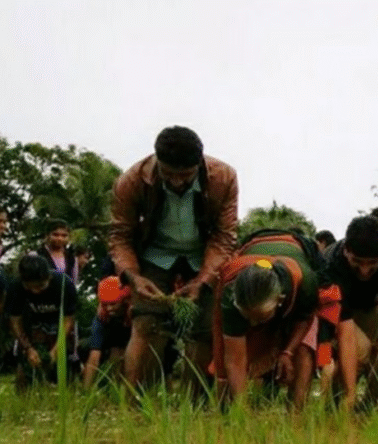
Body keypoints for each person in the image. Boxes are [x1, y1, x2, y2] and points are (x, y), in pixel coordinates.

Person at [108, 126, 238, 394]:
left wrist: (203, 281)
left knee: (204, 327)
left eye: (186, 176)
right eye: (169, 175)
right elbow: (120, 236)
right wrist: (133, 277)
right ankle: (136, 403)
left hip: (204, 257)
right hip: (154, 254)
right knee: (147, 322)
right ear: (157, 163)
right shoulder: (131, 181)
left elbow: (224, 237)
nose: (177, 182)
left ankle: (195, 403)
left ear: (199, 164)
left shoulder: (224, 178)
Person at [211, 231, 344, 410]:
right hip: (254, 247)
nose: (252, 324)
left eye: (259, 317)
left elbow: (304, 320)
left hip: (297, 272)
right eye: (247, 316)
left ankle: (296, 413)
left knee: (304, 351)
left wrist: (287, 352)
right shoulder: (231, 295)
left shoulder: (306, 282)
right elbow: (234, 360)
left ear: (280, 300)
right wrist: (240, 412)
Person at [324, 215, 378, 404]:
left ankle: (371, 402)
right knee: (359, 350)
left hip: (371, 306)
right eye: (358, 262)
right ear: (346, 251)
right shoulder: (330, 264)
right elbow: (344, 328)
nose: (364, 270)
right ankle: (337, 403)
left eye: (372, 263)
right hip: (335, 312)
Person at [7, 255, 79, 391]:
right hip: (31, 323)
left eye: (40, 286)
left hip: (58, 324)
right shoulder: (15, 287)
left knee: (64, 364)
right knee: (25, 364)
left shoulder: (64, 284)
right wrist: (28, 348)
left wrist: (57, 349)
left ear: (48, 277)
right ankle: (24, 399)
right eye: (30, 287)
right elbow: (14, 320)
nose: (36, 291)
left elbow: (69, 319)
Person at [83, 276, 132, 387]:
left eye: (113, 304)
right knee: (89, 348)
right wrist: (85, 390)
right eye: (105, 304)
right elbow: (94, 355)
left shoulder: (133, 311)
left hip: (130, 333)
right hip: (112, 336)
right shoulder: (101, 317)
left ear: (124, 300)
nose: (109, 308)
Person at [36, 218, 79, 285]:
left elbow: (73, 283)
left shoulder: (72, 259)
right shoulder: (37, 255)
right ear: (47, 235)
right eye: (55, 235)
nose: (60, 238)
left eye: (64, 235)